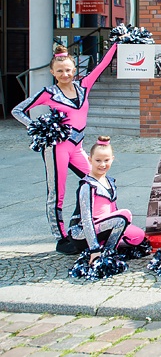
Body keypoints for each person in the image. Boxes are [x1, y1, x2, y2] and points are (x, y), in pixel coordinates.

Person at [13, 42, 119, 254]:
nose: (65, 74)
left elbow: (102, 65)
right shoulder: (48, 93)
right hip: (57, 147)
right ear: (53, 72)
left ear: (74, 70)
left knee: (98, 182)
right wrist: (38, 127)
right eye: (60, 71)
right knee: (57, 192)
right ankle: (60, 237)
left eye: (68, 70)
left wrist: (118, 43)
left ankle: (89, 222)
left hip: (77, 147)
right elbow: (18, 110)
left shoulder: (83, 85)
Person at [69, 136, 148, 261]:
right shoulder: (87, 186)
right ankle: (106, 251)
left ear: (112, 159)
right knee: (124, 215)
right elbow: (86, 219)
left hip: (104, 226)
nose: (102, 164)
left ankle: (105, 242)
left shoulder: (110, 181)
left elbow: (113, 210)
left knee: (138, 236)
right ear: (90, 160)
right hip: (83, 232)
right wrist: (94, 249)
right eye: (98, 160)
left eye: (106, 160)